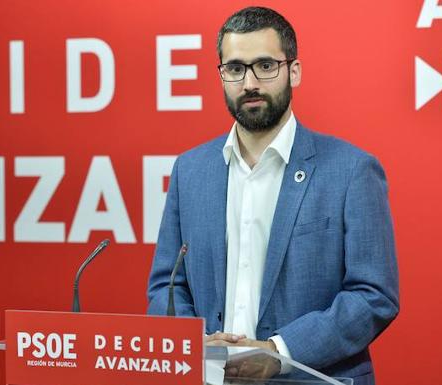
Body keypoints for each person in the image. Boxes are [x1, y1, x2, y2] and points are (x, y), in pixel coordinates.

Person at [146, 6, 399, 385]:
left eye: (265, 66)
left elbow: (374, 295)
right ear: (222, 76)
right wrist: (195, 344)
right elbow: (167, 286)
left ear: (293, 71)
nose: (249, 82)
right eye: (235, 68)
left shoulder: (350, 170)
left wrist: (280, 352)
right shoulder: (190, 170)